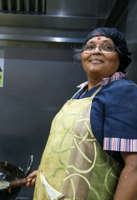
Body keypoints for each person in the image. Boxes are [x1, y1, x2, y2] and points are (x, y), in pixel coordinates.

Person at [26, 27, 137, 200]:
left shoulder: (122, 92)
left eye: (107, 47)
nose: (96, 51)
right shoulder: (81, 92)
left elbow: (134, 167)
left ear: (120, 57)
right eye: (90, 46)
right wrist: (46, 172)